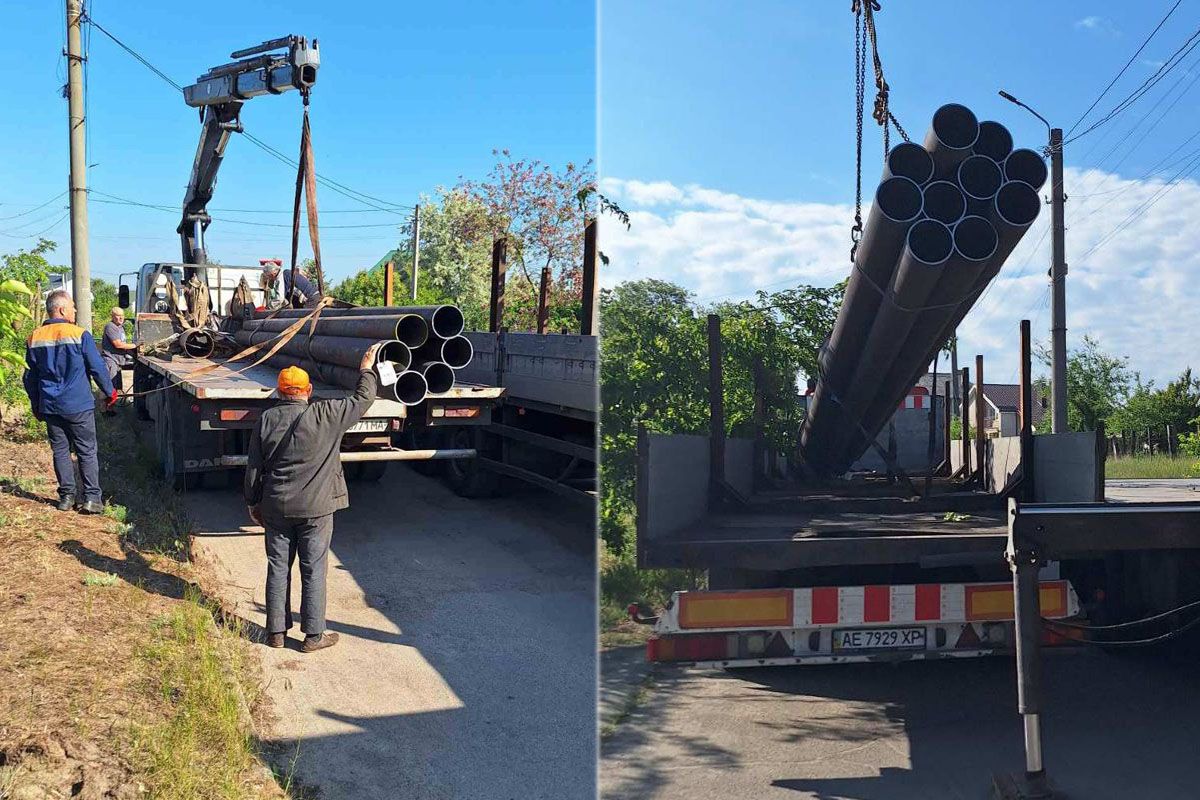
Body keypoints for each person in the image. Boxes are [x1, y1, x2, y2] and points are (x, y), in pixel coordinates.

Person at [244, 342, 382, 653]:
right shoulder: (327, 414)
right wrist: (366, 370)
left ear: (279, 392)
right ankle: (313, 636)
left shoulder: (266, 420)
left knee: (278, 567)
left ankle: (276, 633)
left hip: (276, 506)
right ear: (308, 391)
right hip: (316, 509)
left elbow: (253, 468)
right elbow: (363, 399)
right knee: (313, 568)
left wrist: (253, 503)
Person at [23, 290, 117, 513]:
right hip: (78, 405)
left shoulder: (34, 338)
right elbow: (97, 367)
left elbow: (29, 377)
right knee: (86, 450)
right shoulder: (79, 334)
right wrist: (110, 392)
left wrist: (36, 405)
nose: (75, 310)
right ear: (62, 309)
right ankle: (92, 498)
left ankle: (66, 498)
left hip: (51, 406)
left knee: (60, 451)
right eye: (73, 307)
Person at [101, 307, 137, 414]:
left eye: (122, 315)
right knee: (110, 386)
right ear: (112, 316)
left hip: (117, 361)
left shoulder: (120, 328)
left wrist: (134, 354)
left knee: (116, 387)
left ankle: (110, 408)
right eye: (118, 316)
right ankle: (104, 410)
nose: (121, 318)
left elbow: (124, 346)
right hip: (110, 360)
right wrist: (135, 345)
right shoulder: (110, 327)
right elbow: (118, 344)